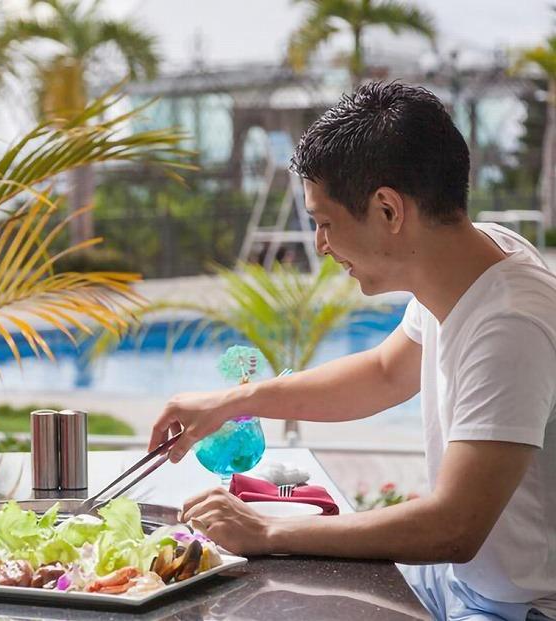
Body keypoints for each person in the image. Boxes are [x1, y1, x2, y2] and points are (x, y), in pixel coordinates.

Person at [150, 82, 556, 620]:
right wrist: (228, 402)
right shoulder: (474, 255)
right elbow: (385, 373)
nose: (319, 245)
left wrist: (268, 530)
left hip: (514, 607)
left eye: (324, 223)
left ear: (388, 209)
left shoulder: (510, 324)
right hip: (456, 580)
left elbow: (454, 526)